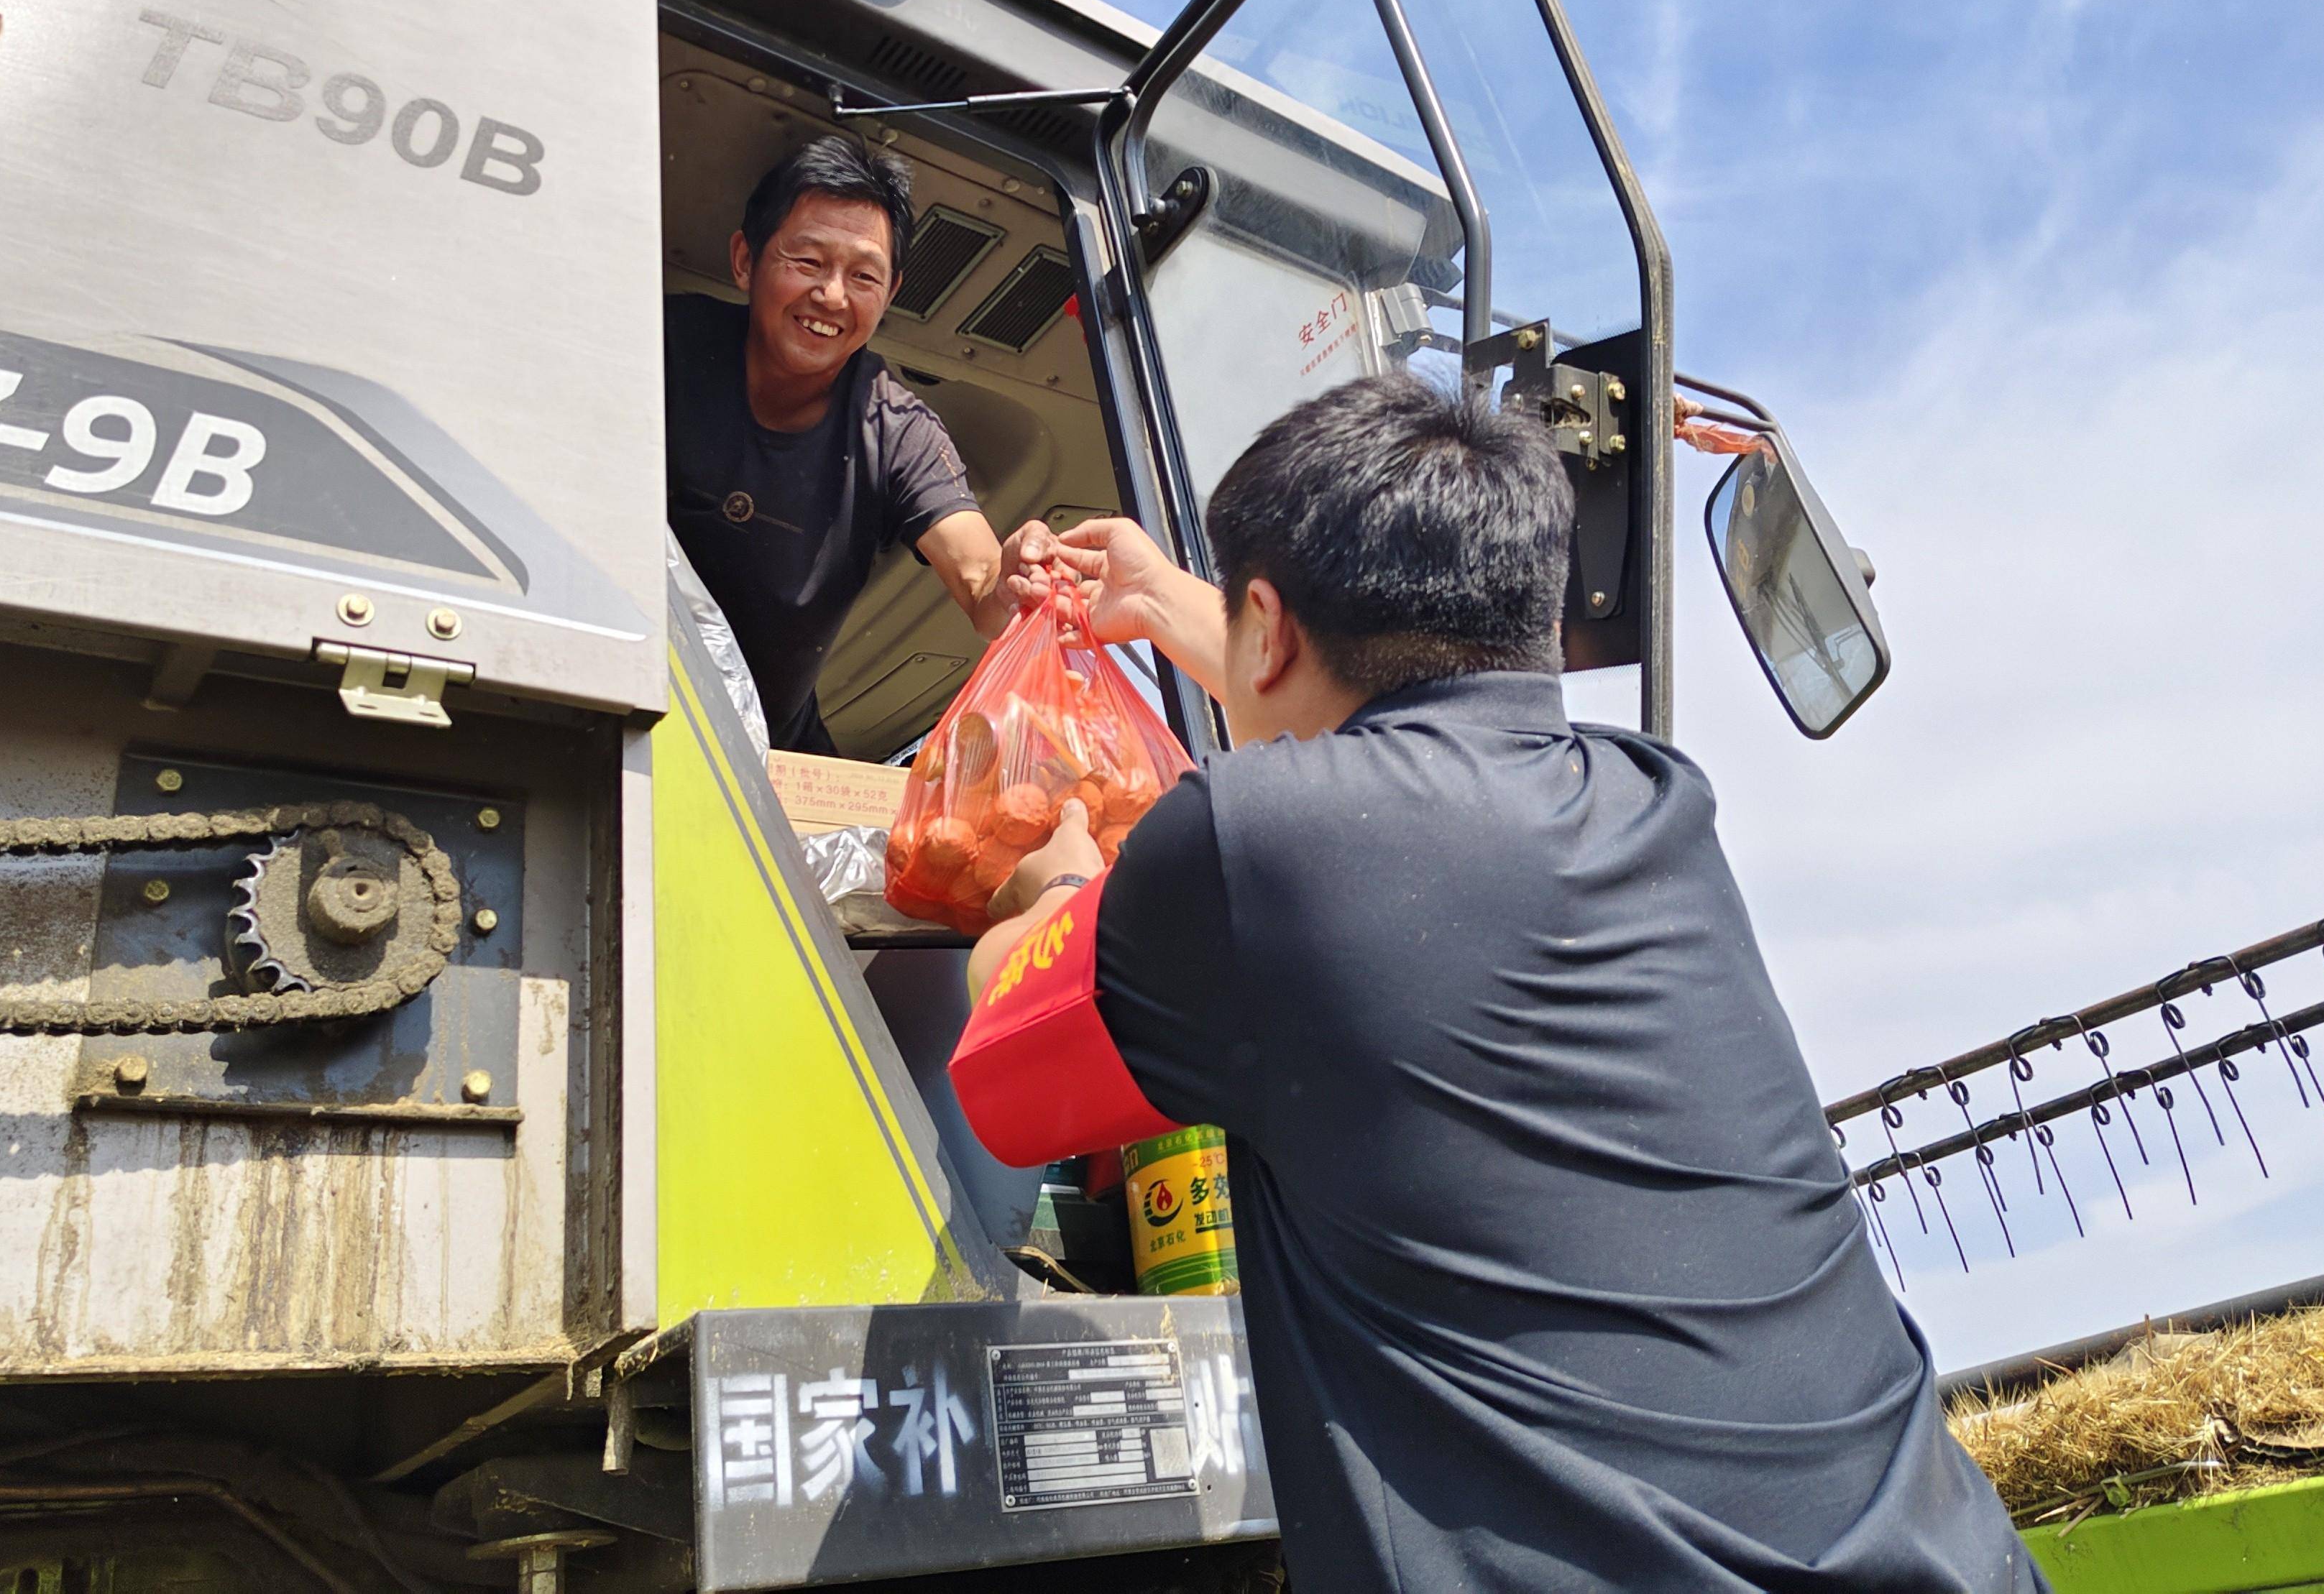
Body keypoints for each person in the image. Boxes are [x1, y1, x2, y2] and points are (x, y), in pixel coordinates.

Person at [957, 375, 2041, 1592]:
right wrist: (1166, 602)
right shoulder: (1654, 802)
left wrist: (1046, 888)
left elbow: (1004, 1074)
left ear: (1268, 625)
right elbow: (1391, 725)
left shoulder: (1247, 846)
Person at [666, 134, 1055, 754]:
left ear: (891, 292)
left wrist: (1017, 582)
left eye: (863, 275)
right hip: (619, 694)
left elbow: (983, 582)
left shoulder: (899, 430)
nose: (832, 296)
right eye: (808, 262)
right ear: (745, 259)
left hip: (769, 755)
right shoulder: (665, 343)